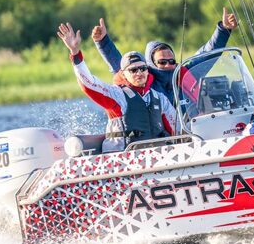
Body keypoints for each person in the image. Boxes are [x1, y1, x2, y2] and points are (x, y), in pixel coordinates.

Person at [57, 22, 177, 153]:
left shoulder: (160, 98)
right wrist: (75, 53)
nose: (139, 73)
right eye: (133, 70)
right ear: (124, 74)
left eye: (142, 68)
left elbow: (177, 127)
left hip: (153, 156)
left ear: (147, 71)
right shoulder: (117, 95)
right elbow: (88, 84)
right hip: (121, 157)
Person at [91, 8, 238, 105]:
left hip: (190, 132)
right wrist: (102, 41)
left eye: (171, 61)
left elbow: (207, 52)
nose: (168, 65)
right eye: (162, 62)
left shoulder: (184, 74)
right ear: (151, 64)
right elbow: (119, 63)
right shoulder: (141, 76)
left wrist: (224, 30)